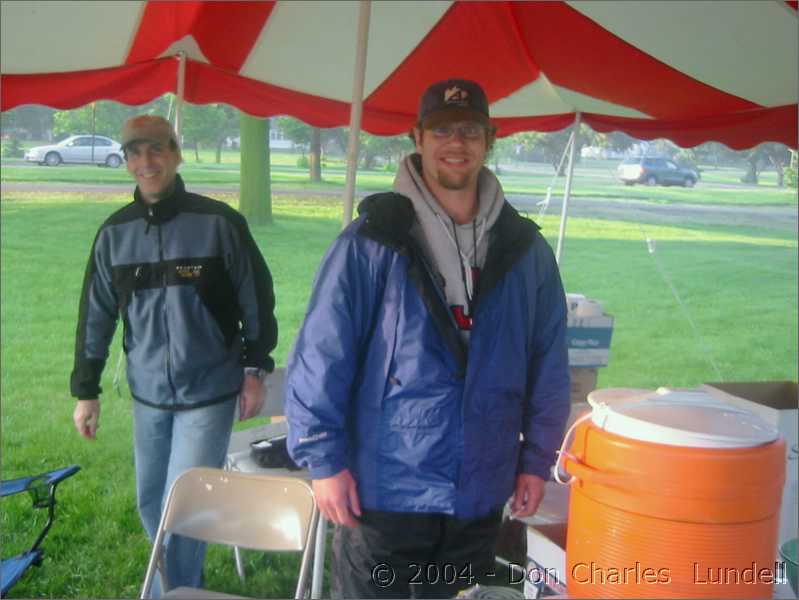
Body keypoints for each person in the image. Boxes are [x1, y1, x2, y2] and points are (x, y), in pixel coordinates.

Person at [286, 79, 570, 598]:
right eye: (442, 130)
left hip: (480, 489)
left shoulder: (525, 249)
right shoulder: (373, 241)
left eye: (468, 131)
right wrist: (323, 460)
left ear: (490, 138)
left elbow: (548, 361)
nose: (455, 143)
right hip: (387, 487)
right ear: (418, 137)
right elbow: (323, 353)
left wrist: (537, 462)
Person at [70, 115, 277, 596]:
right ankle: (176, 584)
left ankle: (176, 591)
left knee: (183, 502)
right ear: (126, 162)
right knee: (151, 502)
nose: (147, 161)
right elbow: (95, 317)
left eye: (157, 149)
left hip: (209, 391)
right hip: (148, 394)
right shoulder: (113, 235)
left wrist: (255, 367)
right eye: (135, 153)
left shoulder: (219, 223)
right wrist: (87, 391)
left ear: (176, 153)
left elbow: (256, 299)